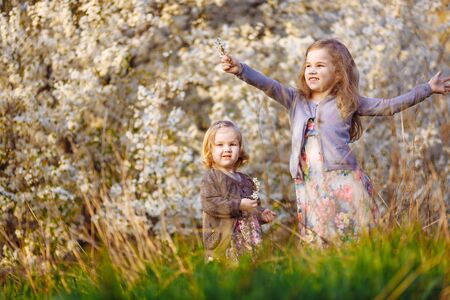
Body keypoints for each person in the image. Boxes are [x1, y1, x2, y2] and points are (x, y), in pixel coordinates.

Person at [221, 38, 450, 244]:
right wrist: (240, 69)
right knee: (318, 234)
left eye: (320, 65)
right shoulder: (295, 100)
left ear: (338, 72)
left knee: (353, 231)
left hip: (343, 179)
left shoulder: (348, 101)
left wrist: (427, 89)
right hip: (309, 182)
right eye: (308, 65)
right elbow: (267, 84)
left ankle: (358, 267)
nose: (311, 70)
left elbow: (388, 106)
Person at [200, 120, 276, 263]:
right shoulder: (212, 177)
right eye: (220, 145)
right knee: (227, 279)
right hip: (225, 244)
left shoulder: (247, 180)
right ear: (210, 150)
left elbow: (250, 208)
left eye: (232, 144)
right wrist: (238, 205)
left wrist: (261, 214)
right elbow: (210, 204)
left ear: (240, 149)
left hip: (250, 245)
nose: (227, 149)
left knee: (251, 276)